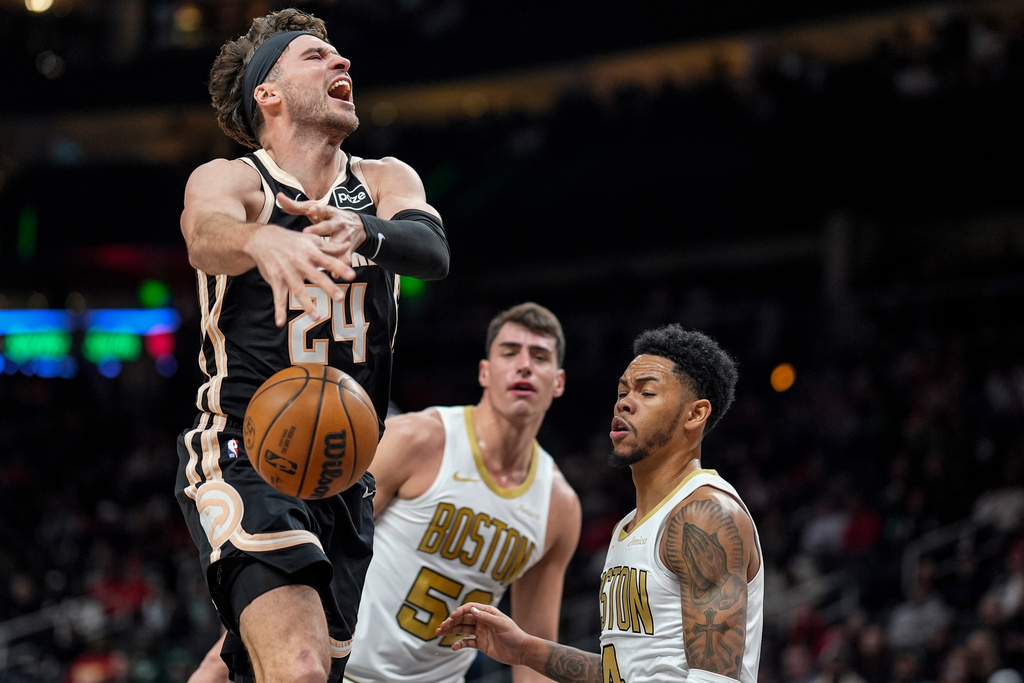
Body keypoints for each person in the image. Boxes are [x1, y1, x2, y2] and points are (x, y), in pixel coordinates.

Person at [175, 7, 449, 683]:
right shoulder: (236, 180)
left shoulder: (384, 179)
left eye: (340, 58)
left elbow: (433, 250)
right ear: (267, 91)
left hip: (343, 471)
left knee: (295, 673)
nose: (342, 64)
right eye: (314, 57)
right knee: (297, 669)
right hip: (246, 450)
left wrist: (364, 230)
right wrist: (260, 239)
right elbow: (203, 229)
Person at [190, 302, 581, 683]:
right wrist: (219, 661)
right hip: (347, 671)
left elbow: (532, 651)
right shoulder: (418, 441)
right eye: (510, 352)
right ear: (485, 372)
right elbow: (309, 553)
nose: (524, 365)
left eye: (540, 356)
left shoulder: (559, 506)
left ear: (559, 381)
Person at [436, 324, 764, 683]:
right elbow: (623, 675)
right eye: (622, 391)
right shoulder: (629, 525)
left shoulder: (704, 515)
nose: (623, 402)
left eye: (647, 392)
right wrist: (525, 650)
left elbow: (716, 680)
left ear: (694, 414)